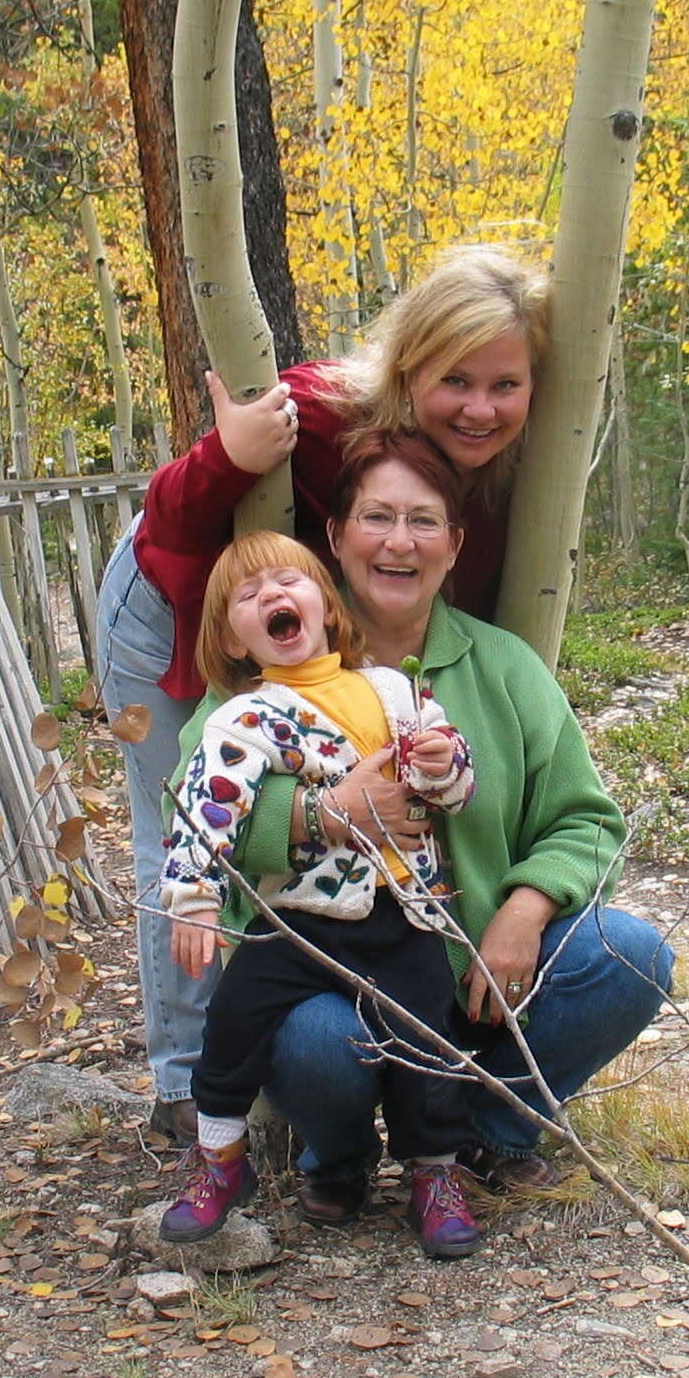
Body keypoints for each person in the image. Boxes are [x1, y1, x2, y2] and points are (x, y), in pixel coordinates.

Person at [96, 245, 549, 1141]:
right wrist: (229, 457)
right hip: (177, 612)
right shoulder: (320, 404)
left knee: (303, 805)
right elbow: (176, 515)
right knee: (190, 820)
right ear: (408, 363)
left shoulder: (511, 472)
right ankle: (186, 1085)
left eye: (506, 384)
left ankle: (293, 1038)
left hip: (307, 647)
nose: (481, 406)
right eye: (455, 379)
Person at [193, 431, 673, 1224]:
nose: (399, 541)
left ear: (453, 546)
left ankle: (483, 1138)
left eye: (424, 521)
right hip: (327, 980)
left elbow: (589, 821)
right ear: (338, 538)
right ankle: (338, 1159)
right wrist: (324, 813)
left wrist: (523, 912)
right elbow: (194, 802)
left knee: (633, 954)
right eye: (377, 517)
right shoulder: (271, 665)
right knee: (316, 1041)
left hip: (477, 984)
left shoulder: (505, 666)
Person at [157, 531, 483, 1258]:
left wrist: (439, 762)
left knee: (428, 1038)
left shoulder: (394, 690)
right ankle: (220, 1157)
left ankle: (434, 1175)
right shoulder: (243, 719)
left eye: (291, 581)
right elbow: (210, 806)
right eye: (250, 595)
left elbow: (455, 791)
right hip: (301, 918)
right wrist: (196, 898)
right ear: (235, 640)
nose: (274, 595)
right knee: (235, 1017)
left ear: (326, 607)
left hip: (405, 911)